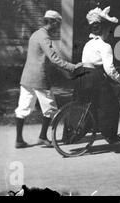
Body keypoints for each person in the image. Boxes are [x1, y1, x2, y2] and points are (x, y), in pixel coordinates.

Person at [15, 10, 82, 148]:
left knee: (23, 108)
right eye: (57, 24)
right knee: (50, 109)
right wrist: (73, 67)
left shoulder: (35, 34)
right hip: (39, 78)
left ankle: (19, 140)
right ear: (51, 22)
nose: (58, 27)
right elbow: (54, 59)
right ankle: (43, 137)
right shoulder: (45, 37)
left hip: (26, 77)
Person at [74, 6, 120, 144]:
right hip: (93, 77)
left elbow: (89, 62)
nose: (109, 34)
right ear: (104, 30)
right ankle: (110, 136)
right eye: (109, 31)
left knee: (90, 105)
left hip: (81, 76)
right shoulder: (105, 46)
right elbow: (109, 69)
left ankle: (75, 133)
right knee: (112, 105)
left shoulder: (88, 44)